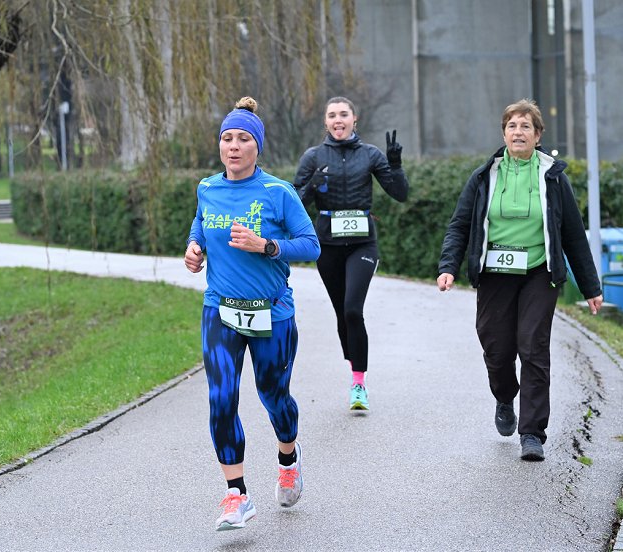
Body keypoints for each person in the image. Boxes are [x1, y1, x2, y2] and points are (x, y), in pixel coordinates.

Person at [437, 98, 603, 461]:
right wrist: (448, 266)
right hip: (495, 272)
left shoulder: (553, 177)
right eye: (512, 126)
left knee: (533, 346)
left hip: (539, 273)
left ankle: (532, 433)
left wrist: (591, 287)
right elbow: (460, 225)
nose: (518, 132)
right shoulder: (484, 177)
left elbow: (574, 235)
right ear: (503, 134)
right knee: (497, 350)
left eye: (526, 126)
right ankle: (504, 396)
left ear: (538, 135)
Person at [184, 96, 320, 531]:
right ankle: (236, 494)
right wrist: (194, 247)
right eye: (227, 138)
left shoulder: (278, 193)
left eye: (243, 138)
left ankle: (288, 459)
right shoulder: (208, 188)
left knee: (273, 395)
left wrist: (267, 246)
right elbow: (201, 223)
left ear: (257, 146)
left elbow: (311, 245)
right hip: (220, 310)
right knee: (222, 398)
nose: (234, 146)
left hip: (272, 313)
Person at [293, 96, 409, 410]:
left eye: (344, 114)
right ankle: (353, 359)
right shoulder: (314, 156)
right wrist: (311, 186)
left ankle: (359, 383)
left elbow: (400, 194)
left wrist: (395, 165)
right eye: (332, 115)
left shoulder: (370, 154)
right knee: (342, 313)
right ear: (326, 122)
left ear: (354, 119)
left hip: (361, 244)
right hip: (327, 246)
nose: (338, 120)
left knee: (353, 310)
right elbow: (294, 203)